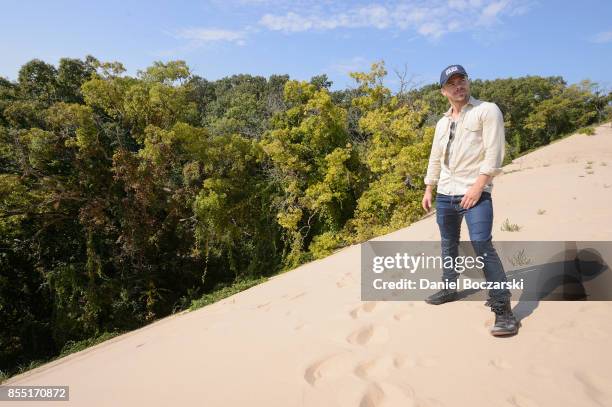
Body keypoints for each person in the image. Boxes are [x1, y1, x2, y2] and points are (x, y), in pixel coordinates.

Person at [421, 64, 520, 336]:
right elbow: (435, 157)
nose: (458, 86)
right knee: (448, 243)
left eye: (461, 80)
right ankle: (450, 287)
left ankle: (503, 311)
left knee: (481, 245)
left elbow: (494, 153)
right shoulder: (442, 122)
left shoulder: (486, 110)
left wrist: (478, 187)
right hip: (445, 193)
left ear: (468, 82)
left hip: (474, 192)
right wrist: (429, 187)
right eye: (451, 83)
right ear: (444, 91)